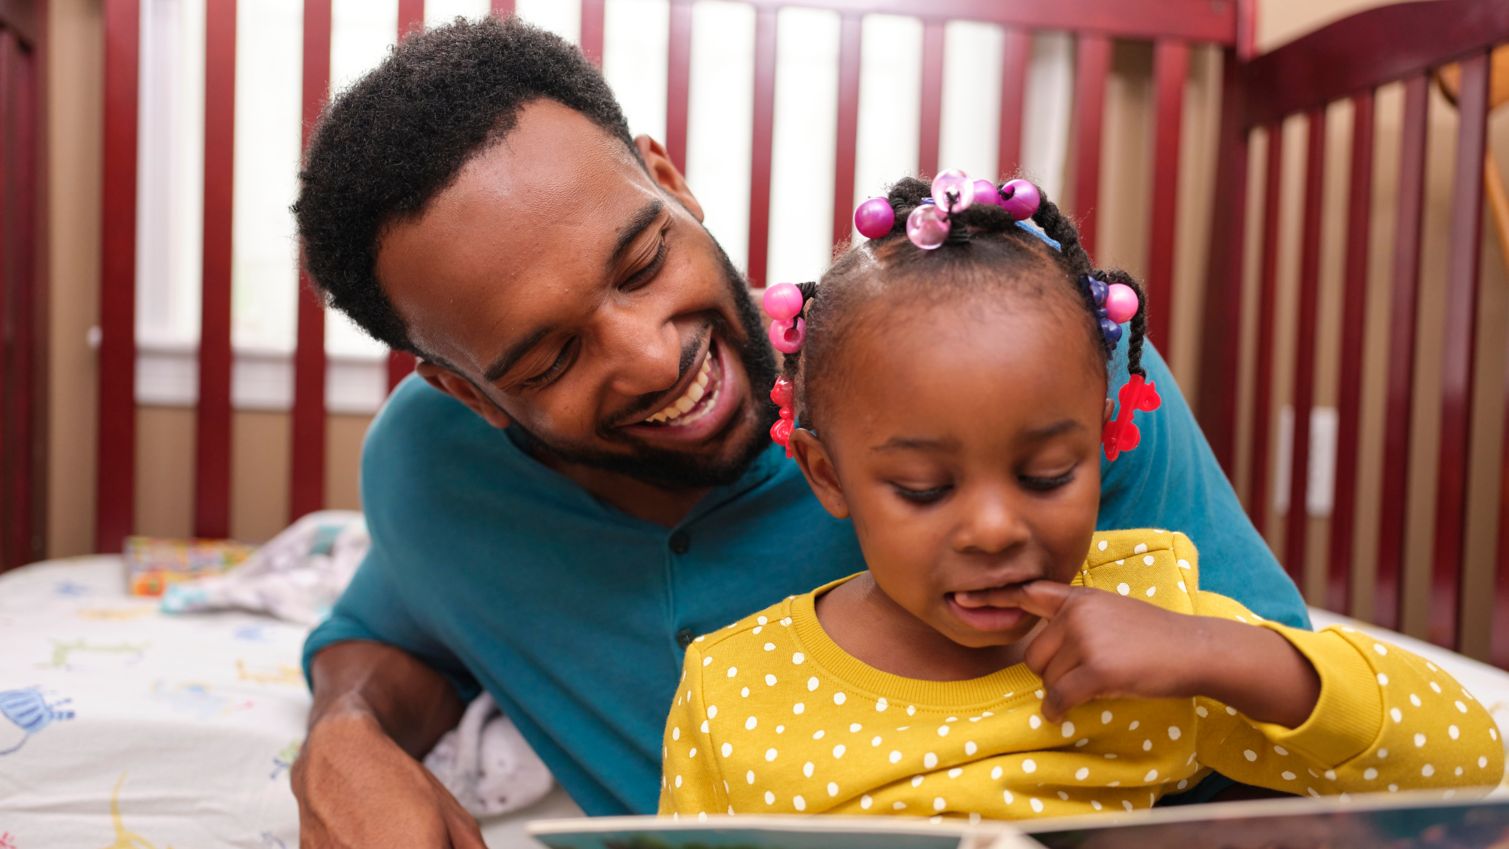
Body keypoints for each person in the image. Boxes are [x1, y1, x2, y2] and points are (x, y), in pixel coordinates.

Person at [289, 16, 1310, 844]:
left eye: (644, 263)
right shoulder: (435, 470)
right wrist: (344, 736)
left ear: (670, 180)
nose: (652, 356)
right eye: (549, 359)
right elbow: (383, 638)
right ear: (464, 393)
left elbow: (1293, 735)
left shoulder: (1035, 382)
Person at [656, 172, 1506, 820]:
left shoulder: (1151, 625)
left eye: (1046, 475)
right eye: (923, 488)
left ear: (1103, 447)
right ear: (826, 474)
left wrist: (1227, 655)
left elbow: (1463, 762)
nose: (993, 528)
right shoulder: (735, 685)